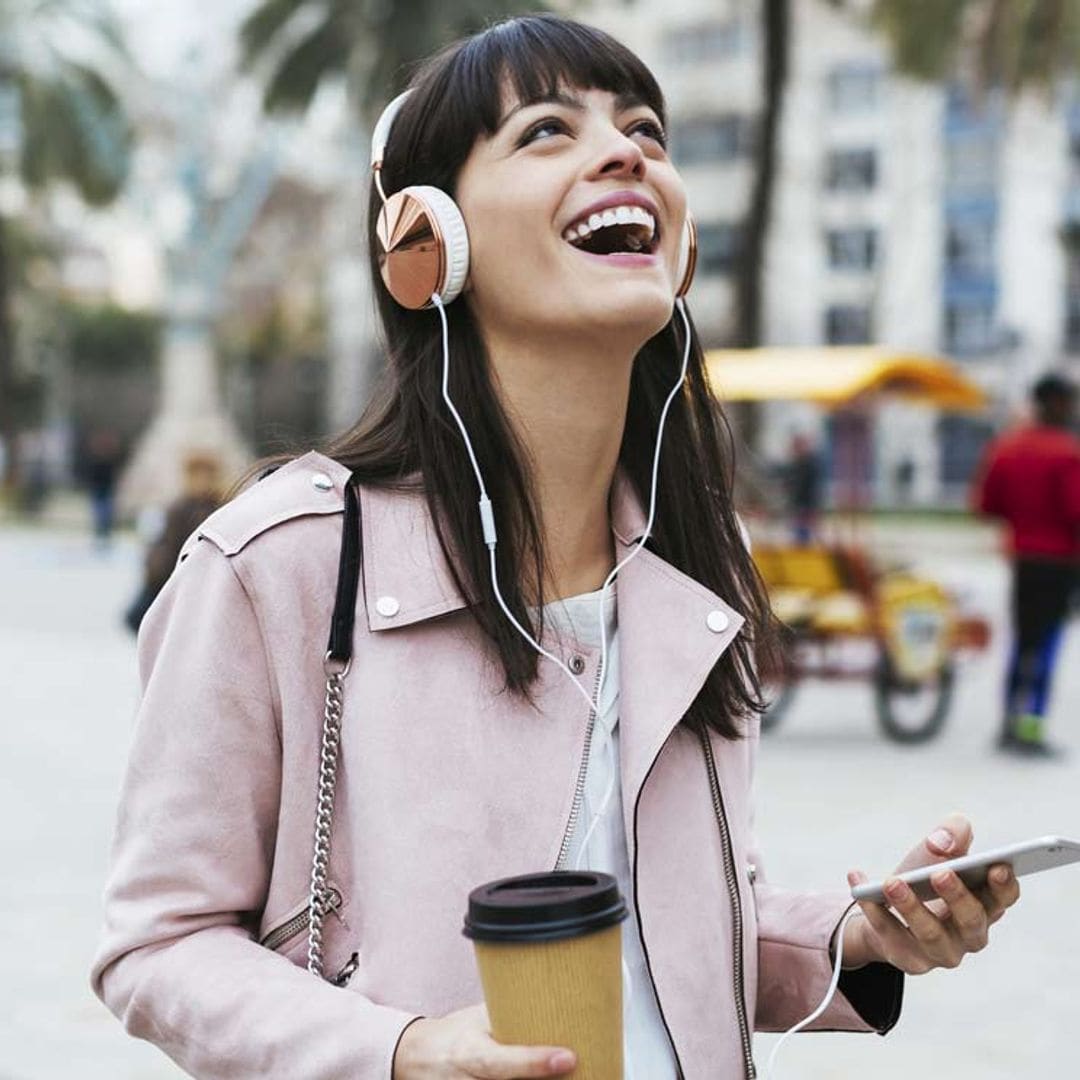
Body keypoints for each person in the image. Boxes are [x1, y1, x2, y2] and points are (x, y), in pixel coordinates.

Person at [91, 16, 1021, 1079]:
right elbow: (158, 947)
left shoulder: (691, 588)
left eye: (645, 131)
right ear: (425, 245)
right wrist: (404, 1050)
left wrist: (861, 935)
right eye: (546, 131)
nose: (627, 151)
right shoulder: (277, 566)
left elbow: (673, 930)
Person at [973, 372, 1080, 758]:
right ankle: (1031, 728)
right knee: (1047, 644)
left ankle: (1007, 723)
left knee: (1022, 642)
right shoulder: (1067, 452)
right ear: (1056, 403)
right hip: (1060, 563)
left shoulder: (1008, 447)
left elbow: (986, 504)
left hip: (1022, 559)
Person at [123, 451, 223, 634]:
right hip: (171, 579)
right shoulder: (179, 507)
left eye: (205, 474)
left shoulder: (219, 508)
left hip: (196, 583)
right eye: (196, 474)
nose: (201, 480)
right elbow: (167, 543)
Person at [780, 432, 822, 544]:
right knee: (799, 532)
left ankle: (804, 547)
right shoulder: (797, 464)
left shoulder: (809, 465)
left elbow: (808, 487)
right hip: (799, 504)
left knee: (804, 532)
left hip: (806, 504)